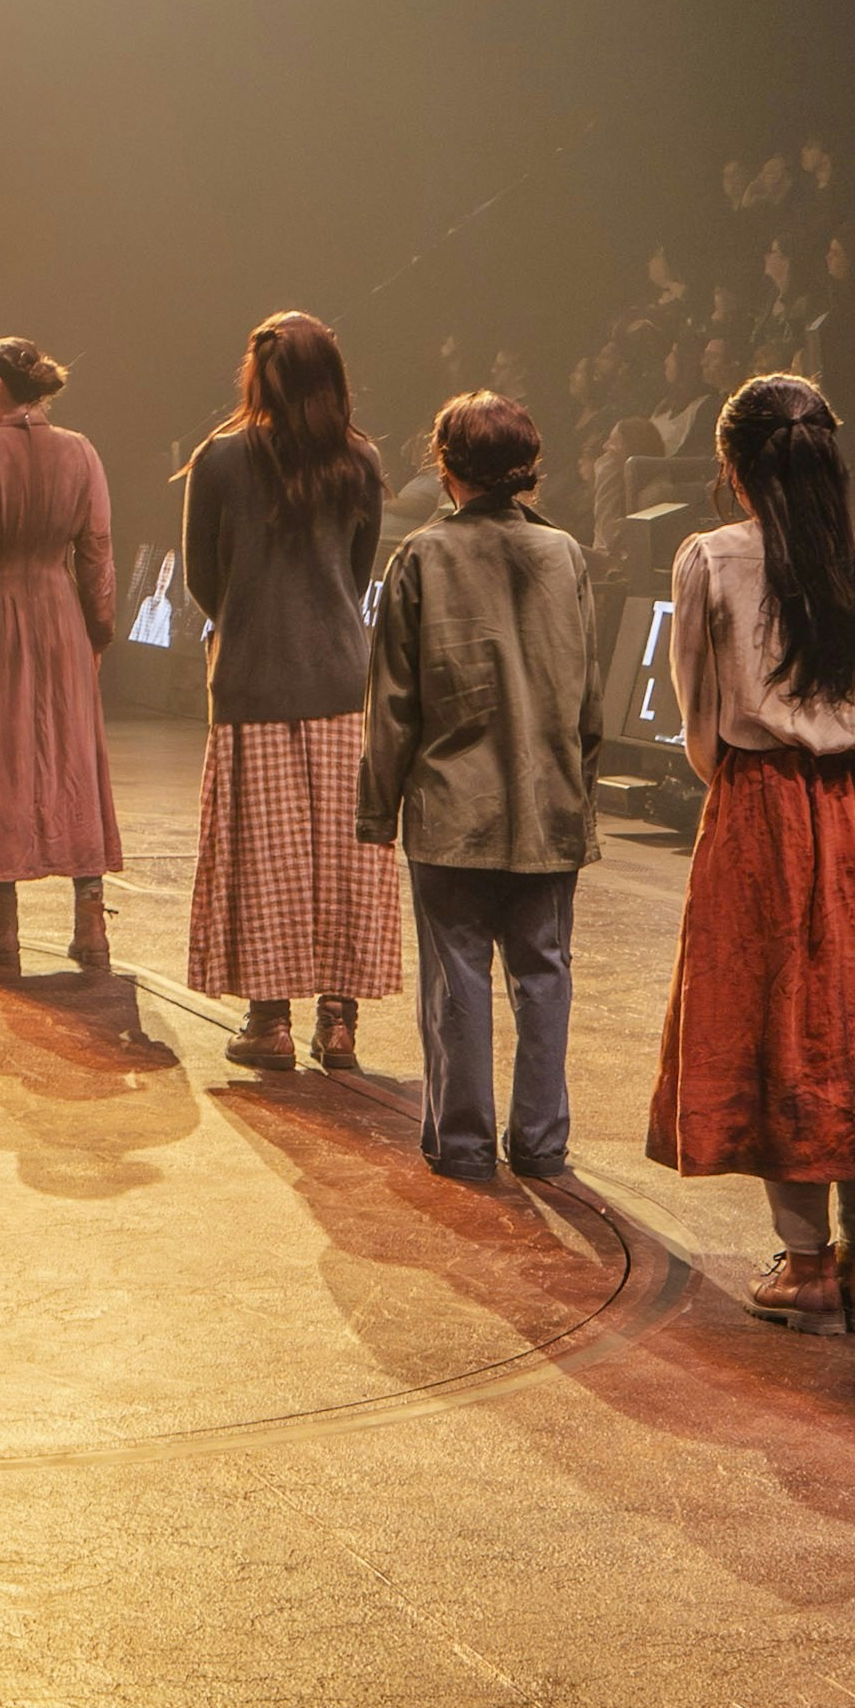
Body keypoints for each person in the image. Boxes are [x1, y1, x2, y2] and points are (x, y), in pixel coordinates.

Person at [652, 375, 855, 1335]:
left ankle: (805, 1263)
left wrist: (750, 784)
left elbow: (699, 718)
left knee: (777, 1026)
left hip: (763, 803)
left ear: (735, 468)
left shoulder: (711, 558)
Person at [357, 391, 598, 1184]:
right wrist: (575, 784)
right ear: (527, 466)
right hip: (548, 805)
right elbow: (587, 701)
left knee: (455, 974)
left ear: (445, 464)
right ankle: (541, 1142)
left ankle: (463, 1144)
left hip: (450, 806)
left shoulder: (421, 557)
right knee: (544, 972)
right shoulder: (566, 555)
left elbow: (393, 702)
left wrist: (377, 807)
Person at [180, 311, 406, 1073]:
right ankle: (337, 1023)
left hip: (253, 677)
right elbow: (360, 571)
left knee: (265, 857)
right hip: (343, 679)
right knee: (343, 854)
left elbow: (201, 579)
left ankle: (269, 1020)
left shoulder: (218, 459)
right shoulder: (361, 460)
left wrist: (249, 617)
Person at [0, 337, 121, 974]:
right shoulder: (82, 451)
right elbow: (97, 550)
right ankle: (90, 924)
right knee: (71, 754)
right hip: (59, 611)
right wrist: (97, 631)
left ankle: (4, 929)